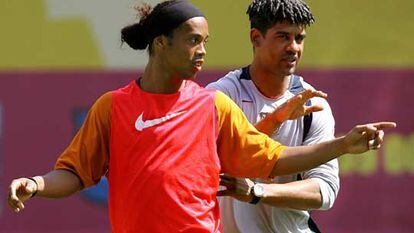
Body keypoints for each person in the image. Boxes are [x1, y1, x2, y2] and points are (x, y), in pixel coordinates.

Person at [7, 1, 395, 233]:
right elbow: (75, 174)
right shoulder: (112, 106)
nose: (202, 51)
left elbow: (273, 158)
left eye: (205, 42)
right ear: (161, 44)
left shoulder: (211, 105)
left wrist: (343, 144)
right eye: (194, 41)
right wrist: (36, 183)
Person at [205, 0, 345, 232]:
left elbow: (325, 190)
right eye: (283, 37)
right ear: (256, 38)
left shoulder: (314, 105)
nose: (293, 47)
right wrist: (275, 120)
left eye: (299, 38)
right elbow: (209, 167)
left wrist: (258, 192)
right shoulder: (221, 96)